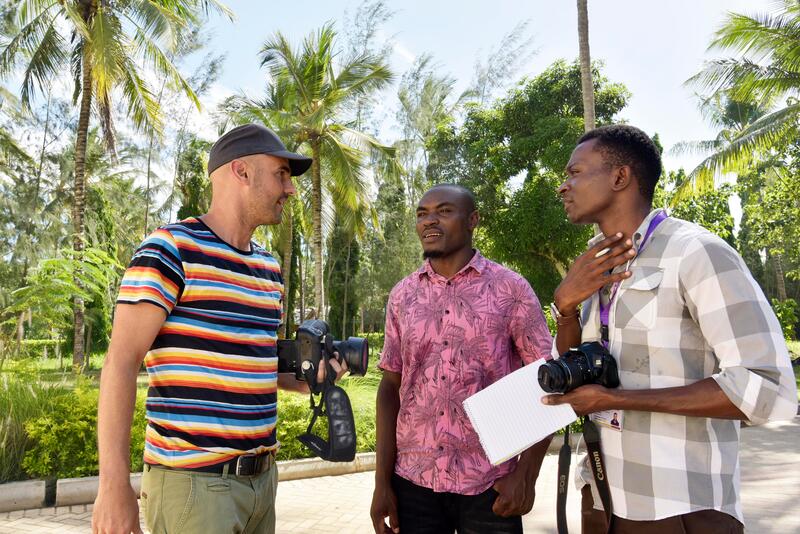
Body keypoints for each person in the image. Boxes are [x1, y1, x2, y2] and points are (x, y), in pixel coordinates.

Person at [91, 124, 347, 534]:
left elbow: (251, 364)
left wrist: (306, 378)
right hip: (195, 487)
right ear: (241, 172)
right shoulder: (170, 249)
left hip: (262, 485)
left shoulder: (268, 269)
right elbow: (120, 363)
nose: (291, 189)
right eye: (281, 174)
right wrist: (112, 487)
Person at [543, 124, 798, 533]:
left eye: (574, 172)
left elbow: (765, 387)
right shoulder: (592, 264)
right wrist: (567, 306)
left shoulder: (696, 252)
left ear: (620, 177)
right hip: (602, 498)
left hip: (681, 506)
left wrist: (618, 399)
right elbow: (575, 366)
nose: (563, 186)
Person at [370, 184, 554, 534]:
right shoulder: (402, 295)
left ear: (473, 220)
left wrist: (526, 474)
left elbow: (546, 384)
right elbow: (390, 386)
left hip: (491, 482)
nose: (429, 221)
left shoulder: (510, 289)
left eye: (443, 211)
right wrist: (382, 483)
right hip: (413, 483)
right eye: (422, 214)